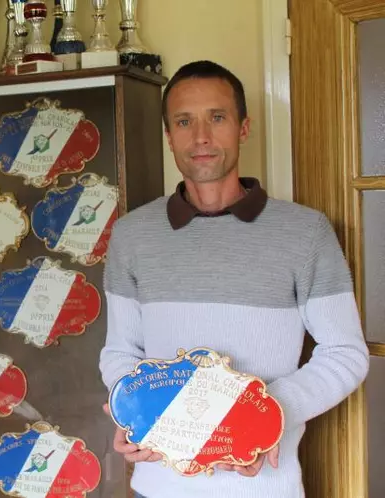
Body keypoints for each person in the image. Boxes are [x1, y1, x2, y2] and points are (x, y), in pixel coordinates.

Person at [99, 60, 369, 498]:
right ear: (169, 135)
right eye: (184, 121)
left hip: (264, 488)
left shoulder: (305, 232)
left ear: (244, 127)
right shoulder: (132, 235)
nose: (200, 136)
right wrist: (132, 409)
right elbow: (121, 352)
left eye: (217, 118)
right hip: (158, 486)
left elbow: (345, 353)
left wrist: (262, 418)